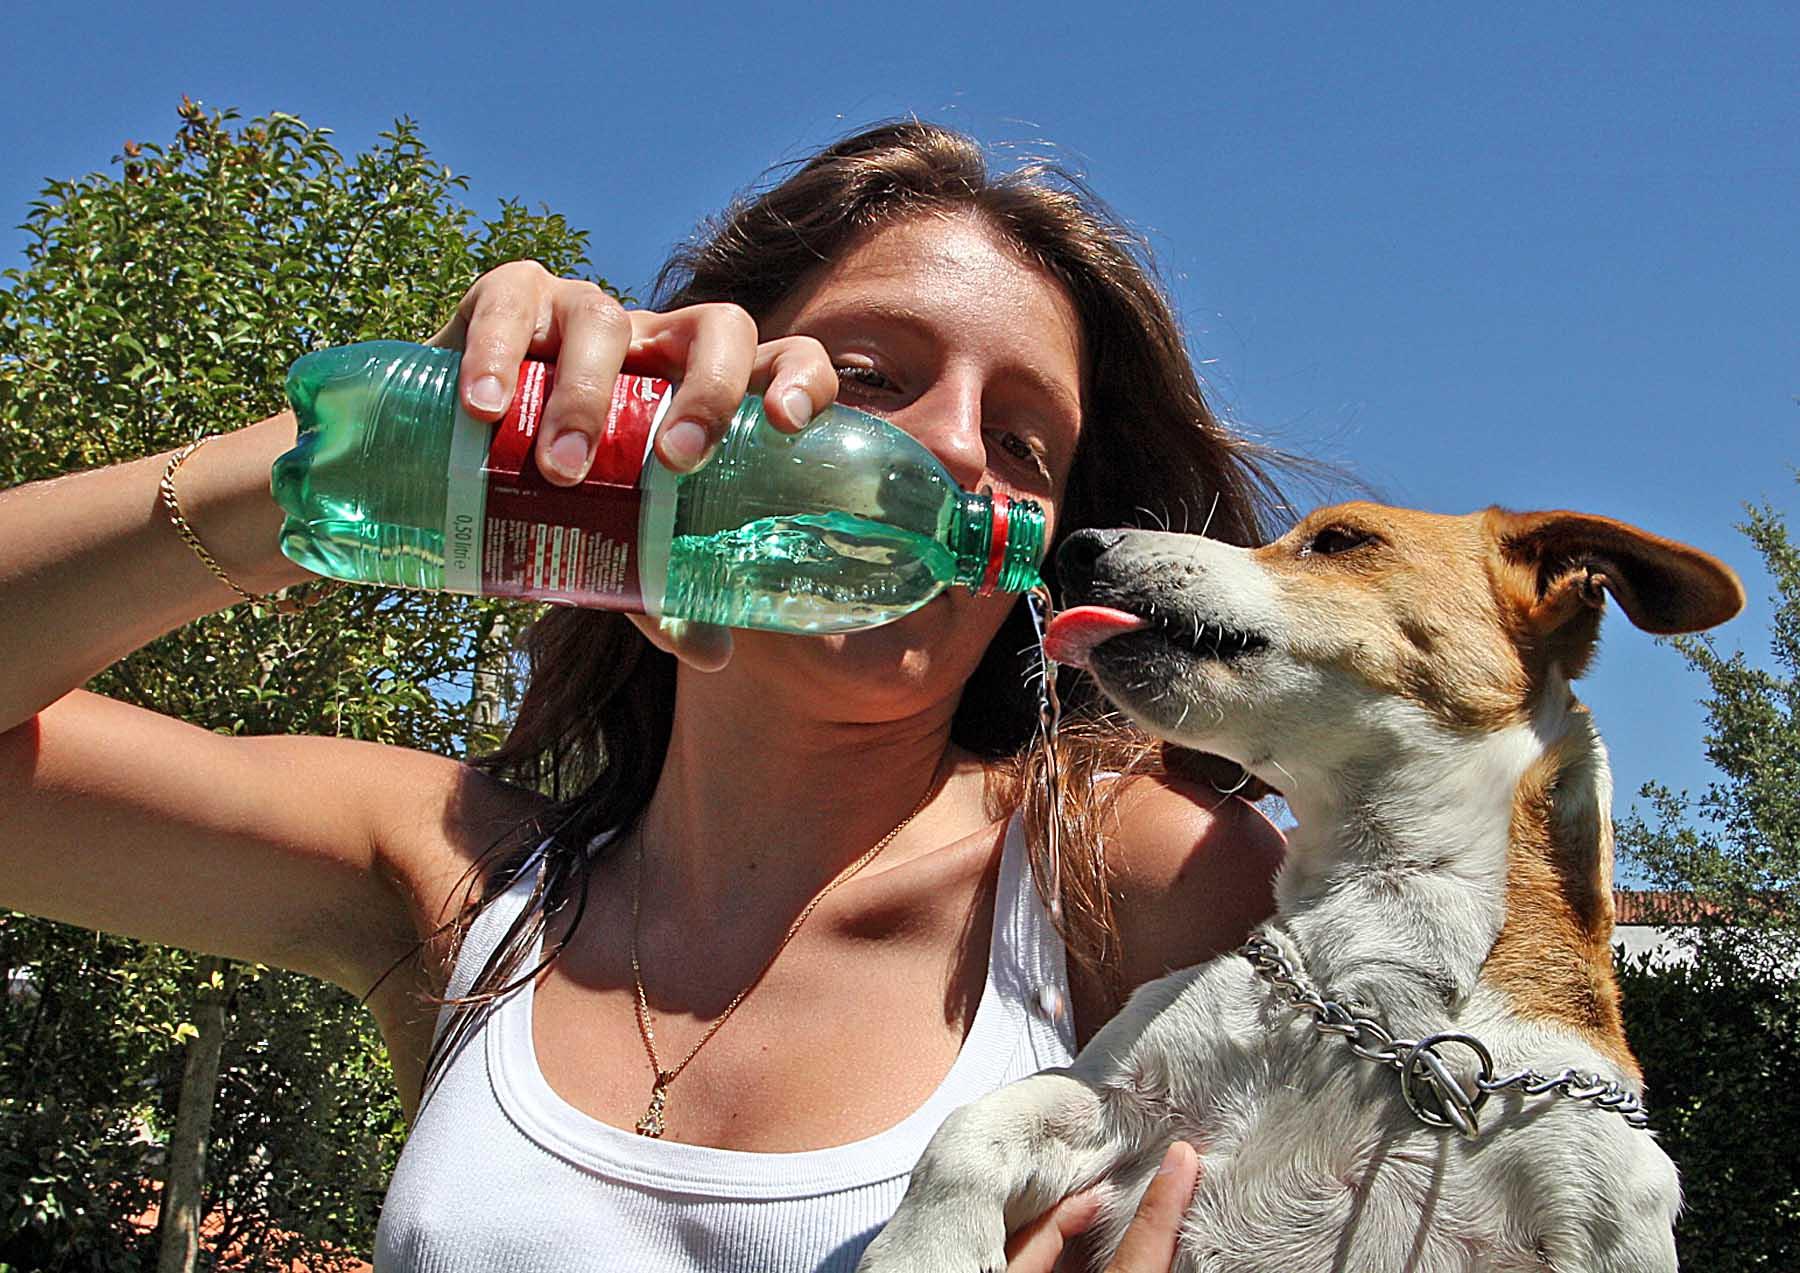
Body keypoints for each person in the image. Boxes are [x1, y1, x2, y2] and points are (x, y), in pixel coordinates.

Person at [0, 121, 1288, 1271]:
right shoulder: (469, 890)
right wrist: (375, 450)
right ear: (691, 409)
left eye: (1022, 444)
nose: (955, 449)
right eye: (875, 375)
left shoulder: (1122, 879)